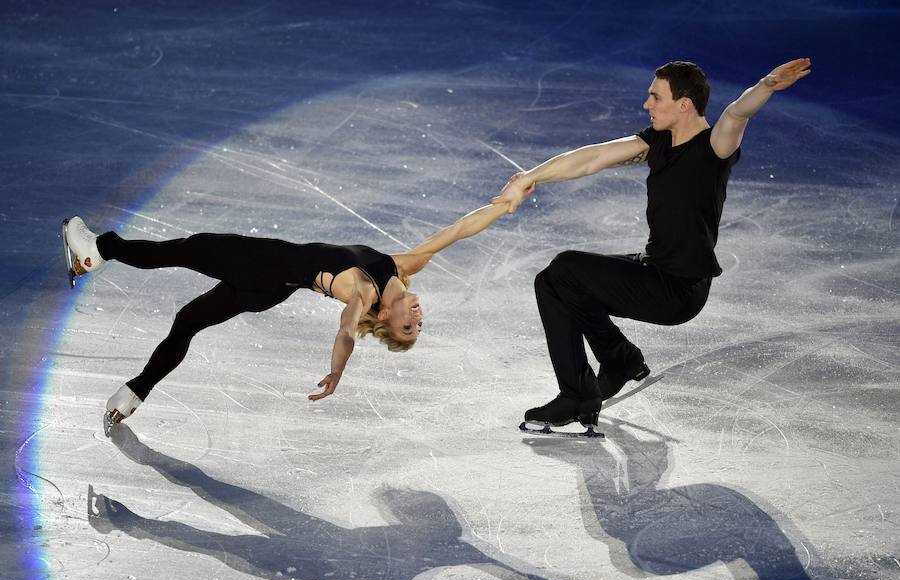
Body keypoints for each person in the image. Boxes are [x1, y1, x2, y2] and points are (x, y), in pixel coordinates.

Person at [492, 58, 812, 428]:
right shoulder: (657, 140)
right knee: (552, 282)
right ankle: (620, 360)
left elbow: (738, 112)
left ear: (684, 104)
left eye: (655, 97)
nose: (647, 104)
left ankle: (579, 396)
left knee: (566, 268)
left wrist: (767, 84)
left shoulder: (713, 148)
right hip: (655, 268)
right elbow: (593, 157)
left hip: (679, 290)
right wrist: (530, 177)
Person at [62, 200, 512, 425]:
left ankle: (96, 251)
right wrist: (504, 204)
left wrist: (337, 371)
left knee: (184, 249)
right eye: (420, 323)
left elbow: (346, 329)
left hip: (262, 264)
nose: (417, 318)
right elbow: (457, 231)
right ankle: (134, 393)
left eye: (408, 328)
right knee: (188, 322)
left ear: (389, 321)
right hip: (268, 289)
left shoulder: (366, 289)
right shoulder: (403, 266)